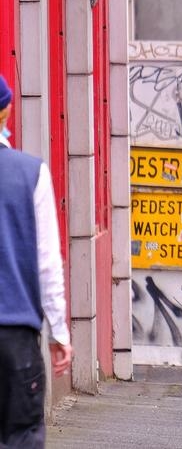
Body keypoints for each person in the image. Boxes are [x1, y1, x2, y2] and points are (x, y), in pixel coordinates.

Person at [0, 74, 73, 448]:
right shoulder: (30, 174)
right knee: (20, 435)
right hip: (14, 334)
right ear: (6, 112)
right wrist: (59, 331)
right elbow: (47, 262)